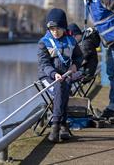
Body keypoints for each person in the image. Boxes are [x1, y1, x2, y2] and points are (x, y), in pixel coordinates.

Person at [38, 8, 83, 142]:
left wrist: (76, 65)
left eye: (57, 28)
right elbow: (43, 63)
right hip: (48, 77)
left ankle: (60, 124)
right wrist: (53, 73)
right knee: (60, 86)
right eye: (52, 29)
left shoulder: (71, 41)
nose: (55, 32)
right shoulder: (43, 42)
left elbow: (79, 57)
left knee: (64, 84)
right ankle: (59, 125)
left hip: (66, 75)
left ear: (64, 27)